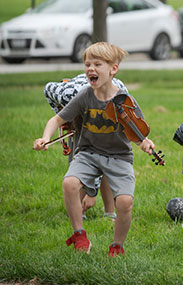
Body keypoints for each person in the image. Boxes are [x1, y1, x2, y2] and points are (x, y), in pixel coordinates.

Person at [33, 42, 156, 257]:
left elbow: (137, 132)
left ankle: (117, 246)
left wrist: (145, 143)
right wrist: (45, 137)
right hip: (88, 153)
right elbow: (57, 119)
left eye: (97, 64)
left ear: (113, 69)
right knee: (69, 183)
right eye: (87, 64)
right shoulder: (85, 95)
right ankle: (79, 235)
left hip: (118, 156)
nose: (91, 69)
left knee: (125, 202)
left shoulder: (125, 100)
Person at [44, 74, 128, 221]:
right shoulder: (67, 95)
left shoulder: (118, 98)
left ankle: (109, 213)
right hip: (78, 104)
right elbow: (47, 89)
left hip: (112, 119)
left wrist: (92, 193)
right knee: (78, 163)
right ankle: (79, 210)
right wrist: (64, 117)